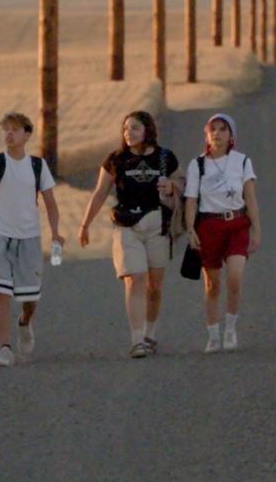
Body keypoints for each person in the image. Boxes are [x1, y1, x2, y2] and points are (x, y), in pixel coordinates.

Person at [77, 110, 180, 358]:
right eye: (125, 128)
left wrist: (172, 186)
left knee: (154, 286)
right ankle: (137, 340)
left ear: (147, 130)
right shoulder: (115, 159)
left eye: (134, 128)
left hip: (157, 226)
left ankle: (150, 334)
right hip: (126, 225)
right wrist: (85, 224)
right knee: (135, 278)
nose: (128, 133)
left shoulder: (165, 157)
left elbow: (182, 184)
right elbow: (100, 192)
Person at [0, 111, 62, 367]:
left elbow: (50, 202)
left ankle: (25, 321)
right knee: (1, 292)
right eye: (6, 129)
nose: (9, 134)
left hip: (29, 236)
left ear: (27, 135)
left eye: (15, 129)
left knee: (30, 296)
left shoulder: (37, 166)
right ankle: (5, 348)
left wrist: (55, 232)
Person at [185, 112, 260, 353]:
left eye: (222, 129)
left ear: (231, 135)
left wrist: (256, 229)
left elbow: (250, 197)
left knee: (235, 277)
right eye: (213, 129)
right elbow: (191, 200)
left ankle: (230, 329)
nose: (217, 133)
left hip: (237, 224)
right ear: (206, 135)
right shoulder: (197, 165)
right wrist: (190, 229)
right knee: (212, 284)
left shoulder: (242, 162)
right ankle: (213, 334)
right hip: (209, 226)